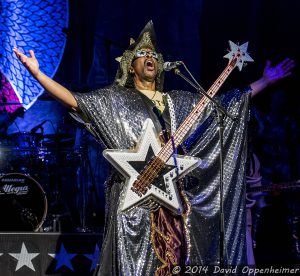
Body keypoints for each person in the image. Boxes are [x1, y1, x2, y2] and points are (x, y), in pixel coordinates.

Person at [13, 21, 294, 275]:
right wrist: (38, 75)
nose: (149, 58)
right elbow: (75, 100)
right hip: (134, 203)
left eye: (153, 55)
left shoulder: (177, 101)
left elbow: (222, 105)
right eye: (142, 54)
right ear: (129, 66)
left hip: (170, 201)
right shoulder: (115, 100)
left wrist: (265, 81)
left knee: (172, 260)